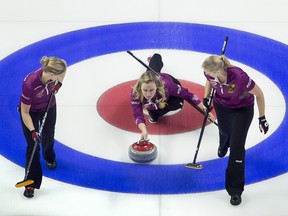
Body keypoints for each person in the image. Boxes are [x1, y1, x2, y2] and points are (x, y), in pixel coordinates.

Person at [202, 55, 269, 206]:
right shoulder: (209, 73)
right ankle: (223, 144)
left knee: (237, 146)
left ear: (219, 70)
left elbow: (259, 94)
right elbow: (209, 80)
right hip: (222, 106)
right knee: (224, 131)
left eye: (210, 72)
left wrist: (262, 118)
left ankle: (235, 189)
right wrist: (206, 97)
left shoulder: (239, 77)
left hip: (242, 109)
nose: (207, 74)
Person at [131, 53, 213, 141]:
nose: (148, 94)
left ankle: (155, 112)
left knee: (178, 104)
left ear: (157, 86)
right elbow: (137, 114)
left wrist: (205, 111)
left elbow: (189, 95)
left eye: (151, 90)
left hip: (169, 83)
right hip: (153, 80)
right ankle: (154, 59)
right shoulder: (136, 92)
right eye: (145, 90)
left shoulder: (168, 86)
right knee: (150, 71)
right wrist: (143, 130)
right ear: (140, 87)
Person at [19, 56, 67, 198]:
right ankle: (30, 182)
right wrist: (33, 131)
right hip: (30, 112)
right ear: (52, 74)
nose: (60, 78)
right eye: (58, 77)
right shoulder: (30, 84)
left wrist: (59, 84)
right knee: (33, 144)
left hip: (49, 106)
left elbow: (64, 66)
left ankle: (49, 156)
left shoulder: (55, 73)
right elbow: (24, 112)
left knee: (48, 134)